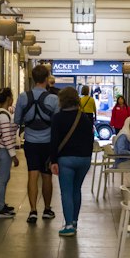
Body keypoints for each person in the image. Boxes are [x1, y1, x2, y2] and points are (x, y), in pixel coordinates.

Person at [14, 63, 60, 224]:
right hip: (48, 143)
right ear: (47, 79)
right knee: (47, 177)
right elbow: (58, 123)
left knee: (32, 174)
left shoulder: (23, 97)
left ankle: (33, 211)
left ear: (33, 79)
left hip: (31, 142)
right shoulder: (53, 99)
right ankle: (47, 209)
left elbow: (17, 120)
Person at [48, 85, 95, 236]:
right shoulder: (84, 118)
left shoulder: (58, 118)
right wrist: (88, 157)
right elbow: (90, 139)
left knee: (66, 192)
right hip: (84, 159)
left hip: (66, 160)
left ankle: (68, 225)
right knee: (76, 190)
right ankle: (74, 221)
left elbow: (54, 141)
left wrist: (53, 160)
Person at [0, 86, 19, 219]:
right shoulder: (3, 117)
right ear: (8, 99)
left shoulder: (1, 113)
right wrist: (14, 156)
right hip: (4, 152)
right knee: (2, 180)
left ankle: (2, 205)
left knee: (5, 178)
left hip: (1, 151)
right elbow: (7, 138)